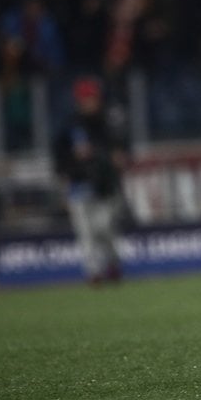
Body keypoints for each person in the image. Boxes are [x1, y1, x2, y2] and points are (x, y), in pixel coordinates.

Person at [53, 76, 128, 285]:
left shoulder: (109, 121)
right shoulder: (70, 126)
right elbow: (59, 159)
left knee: (105, 229)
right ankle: (93, 272)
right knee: (85, 233)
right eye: (86, 98)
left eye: (93, 98)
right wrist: (65, 180)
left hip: (106, 185)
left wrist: (115, 157)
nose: (90, 102)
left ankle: (113, 263)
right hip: (79, 185)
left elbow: (122, 149)